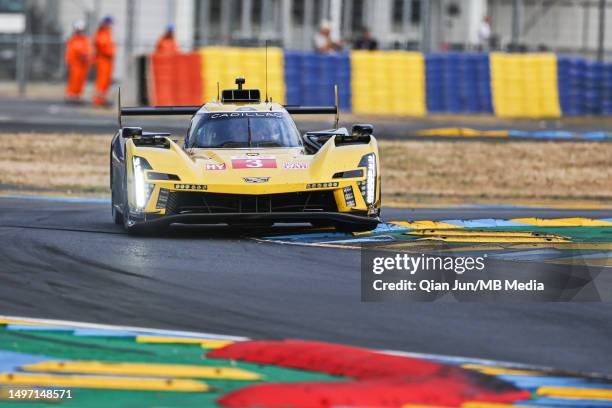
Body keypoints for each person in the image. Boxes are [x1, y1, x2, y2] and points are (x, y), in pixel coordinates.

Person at [64, 20, 92, 103]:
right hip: (75, 64)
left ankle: (78, 95)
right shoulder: (73, 40)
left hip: (83, 64)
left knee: (81, 80)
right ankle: (71, 95)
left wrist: (86, 56)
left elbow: (89, 51)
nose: (81, 32)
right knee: (74, 79)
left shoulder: (85, 40)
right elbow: (71, 52)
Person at [93, 15, 116, 107]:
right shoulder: (101, 34)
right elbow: (102, 46)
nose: (111, 26)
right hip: (103, 59)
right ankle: (98, 100)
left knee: (106, 80)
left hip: (108, 60)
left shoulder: (107, 33)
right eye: (110, 24)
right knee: (102, 80)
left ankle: (102, 99)